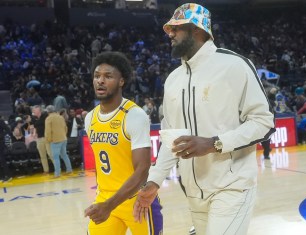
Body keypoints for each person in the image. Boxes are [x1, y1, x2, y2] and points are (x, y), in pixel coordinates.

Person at [133, 3, 275, 235]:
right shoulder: (173, 80)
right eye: (170, 28)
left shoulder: (234, 65)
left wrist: (213, 143)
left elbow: (264, 122)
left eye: (176, 28)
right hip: (193, 192)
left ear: (198, 30)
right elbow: (171, 138)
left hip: (232, 187)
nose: (170, 33)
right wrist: (155, 180)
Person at [83, 51, 163, 235]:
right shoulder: (90, 118)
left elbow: (142, 170)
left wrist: (109, 205)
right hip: (105, 198)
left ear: (121, 81)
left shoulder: (134, 115)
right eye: (97, 76)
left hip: (137, 200)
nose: (100, 81)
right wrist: (105, 202)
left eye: (108, 76)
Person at [44, 105, 73, 178]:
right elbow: (65, 127)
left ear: (48, 111)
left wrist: (49, 139)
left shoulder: (48, 119)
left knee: (55, 157)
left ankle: (57, 173)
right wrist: (64, 135)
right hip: (63, 138)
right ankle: (69, 169)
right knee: (64, 155)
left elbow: (48, 131)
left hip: (55, 140)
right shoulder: (60, 117)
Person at [32, 105, 53, 174]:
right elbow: (35, 127)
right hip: (39, 138)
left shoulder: (45, 115)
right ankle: (46, 170)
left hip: (46, 137)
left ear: (39, 110)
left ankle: (57, 167)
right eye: (33, 110)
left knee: (50, 154)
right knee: (42, 155)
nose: (33, 111)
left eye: (34, 110)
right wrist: (34, 133)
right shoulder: (34, 118)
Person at [0, 117, 12, 182]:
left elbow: (8, 130)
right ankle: (1, 176)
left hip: (0, 142)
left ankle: (8, 175)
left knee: (2, 160)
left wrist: (1, 136)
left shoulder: (1, 121)